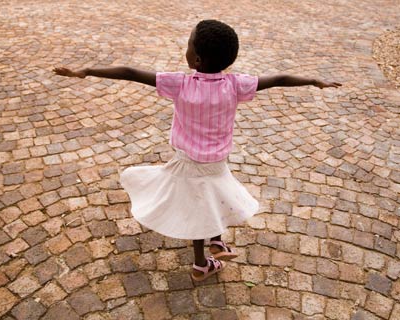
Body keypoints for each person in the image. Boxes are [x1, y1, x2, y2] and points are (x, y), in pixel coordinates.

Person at [53, 19, 341, 282]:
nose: (186, 49)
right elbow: (278, 79)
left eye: (188, 45)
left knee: (199, 211)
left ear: (197, 59)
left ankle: (201, 264)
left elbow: (129, 73)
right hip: (216, 162)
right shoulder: (236, 84)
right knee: (210, 199)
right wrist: (314, 81)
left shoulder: (180, 83)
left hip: (189, 162)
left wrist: (87, 71)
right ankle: (216, 243)